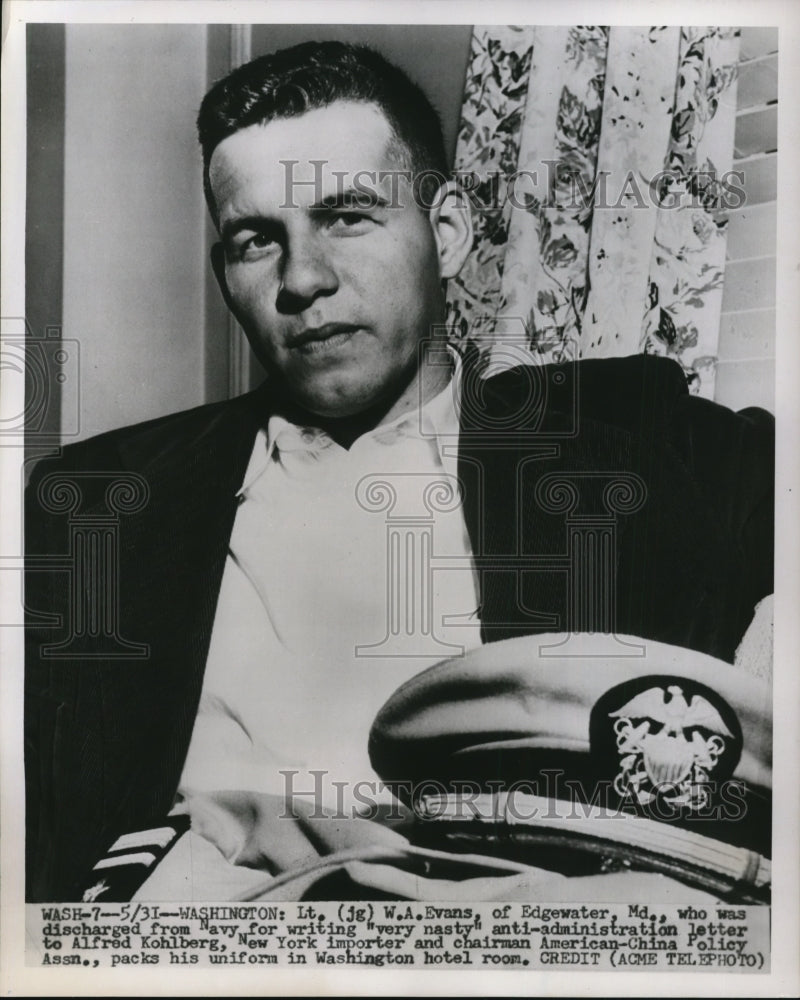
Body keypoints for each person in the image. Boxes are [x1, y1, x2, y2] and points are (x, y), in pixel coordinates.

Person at [24, 41, 774, 903]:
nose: (302, 279)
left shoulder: (643, 445)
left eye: (347, 215)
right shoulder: (100, 501)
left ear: (447, 231)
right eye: (254, 240)